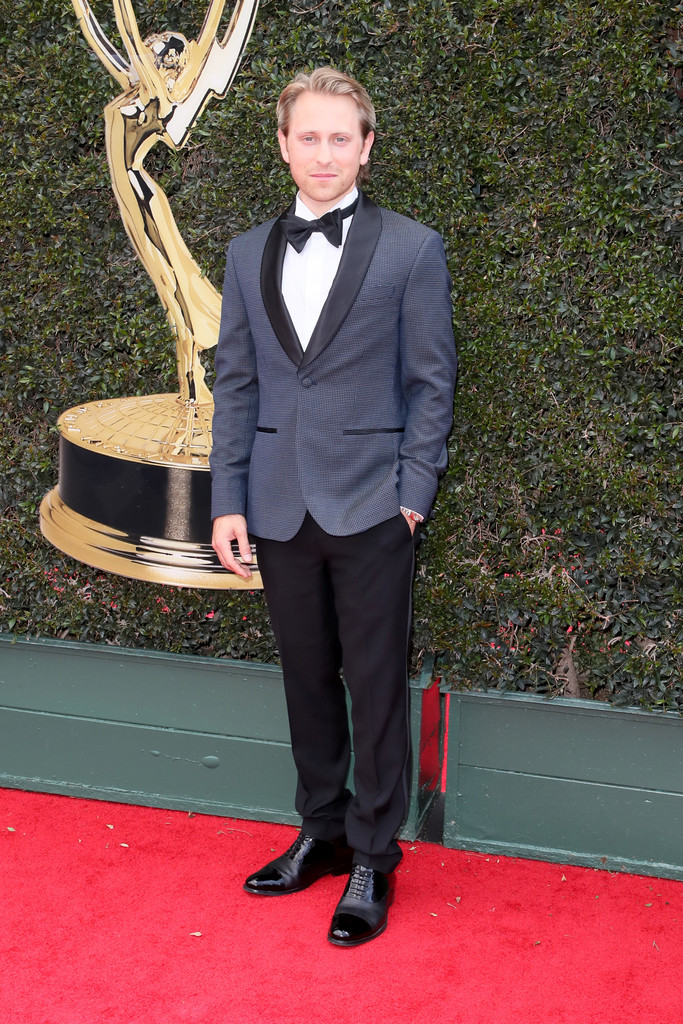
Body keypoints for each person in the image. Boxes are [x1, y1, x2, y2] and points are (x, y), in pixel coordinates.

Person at [210, 67, 457, 947]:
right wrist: (226, 498)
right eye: (306, 136)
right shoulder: (246, 253)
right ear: (282, 144)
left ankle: (372, 856)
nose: (322, 152)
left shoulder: (410, 249)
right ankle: (319, 828)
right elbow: (234, 383)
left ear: (366, 144)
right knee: (305, 680)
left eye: (339, 137)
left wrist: (411, 499)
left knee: (376, 688)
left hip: (372, 509)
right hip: (276, 505)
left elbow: (432, 383)